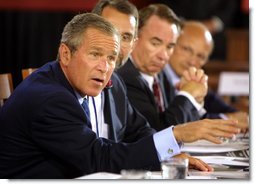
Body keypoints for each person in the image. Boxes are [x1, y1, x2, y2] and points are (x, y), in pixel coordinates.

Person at [0, 9, 239, 180]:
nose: (104, 67)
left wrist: (170, 154)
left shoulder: (101, 82)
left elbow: (137, 130)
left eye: (111, 58)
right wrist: (177, 133)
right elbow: (98, 158)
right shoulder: (50, 98)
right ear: (65, 54)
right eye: (95, 54)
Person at [117, 4, 208, 130]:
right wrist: (187, 96)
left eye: (170, 46)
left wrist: (195, 99)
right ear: (135, 38)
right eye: (155, 43)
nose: (163, 56)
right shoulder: (124, 78)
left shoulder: (160, 74)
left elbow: (188, 128)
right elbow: (158, 134)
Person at [163, 20, 249, 133]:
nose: (192, 61)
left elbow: (233, 112)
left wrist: (237, 116)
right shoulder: (156, 78)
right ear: (172, 44)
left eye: (201, 56)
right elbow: (176, 124)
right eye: (187, 49)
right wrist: (228, 119)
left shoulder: (196, 79)